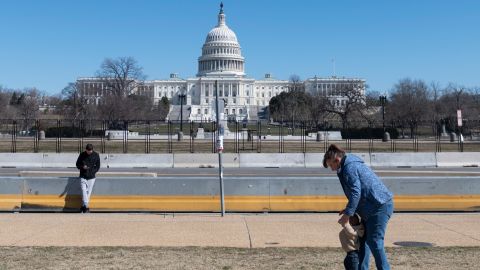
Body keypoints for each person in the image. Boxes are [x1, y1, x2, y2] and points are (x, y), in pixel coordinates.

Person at [323, 144, 393, 270]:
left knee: (375, 242)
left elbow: (356, 192)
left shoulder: (349, 167)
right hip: (371, 208)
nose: (332, 169)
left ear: (337, 160)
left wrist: (347, 215)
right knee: (364, 242)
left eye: (331, 165)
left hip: (379, 206)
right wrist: (350, 209)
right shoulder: (348, 164)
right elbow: (358, 193)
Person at [76, 143, 100, 213]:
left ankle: (84, 207)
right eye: (87, 151)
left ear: (92, 150)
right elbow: (77, 164)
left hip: (91, 177)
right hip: (83, 175)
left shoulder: (96, 155)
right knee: (83, 190)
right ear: (85, 150)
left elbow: (98, 166)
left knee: (88, 192)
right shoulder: (82, 155)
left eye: (90, 151)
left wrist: (93, 172)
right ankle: (86, 205)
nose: (89, 152)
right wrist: (82, 167)